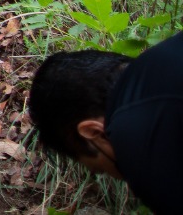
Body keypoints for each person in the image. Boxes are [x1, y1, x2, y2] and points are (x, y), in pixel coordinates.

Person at [28, 33, 183, 214]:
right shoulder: (165, 56)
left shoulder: (141, 144)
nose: (120, 177)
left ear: (93, 131)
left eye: (100, 169)